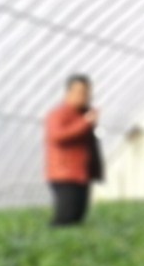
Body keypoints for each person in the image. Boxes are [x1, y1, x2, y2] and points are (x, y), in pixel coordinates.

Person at [44, 75, 103, 226]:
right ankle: (53, 246)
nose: (85, 96)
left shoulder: (83, 114)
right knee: (66, 217)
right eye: (80, 92)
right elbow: (58, 136)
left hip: (81, 175)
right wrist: (85, 123)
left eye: (87, 92)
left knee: (77, 217)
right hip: (64, 175)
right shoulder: (58, 114)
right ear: (68, 93)